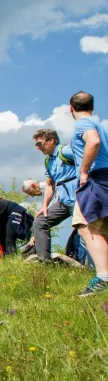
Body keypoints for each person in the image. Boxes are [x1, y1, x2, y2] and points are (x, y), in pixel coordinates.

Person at [68, 91, 108, 296]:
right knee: (103, 230)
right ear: (92, 107)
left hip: (95, 179)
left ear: (71, 108)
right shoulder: (102, 125)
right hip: (106, 177)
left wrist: (84, 171)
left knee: (85, 225)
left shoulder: (83, 125)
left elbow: (92, 142)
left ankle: (103, 278)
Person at [29, 129, 79, 264]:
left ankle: (96, 270)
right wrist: (45, 205)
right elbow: (50, 184)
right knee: (40, 221)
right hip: (63, 200)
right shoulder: (48, 161)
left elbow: (88, 157)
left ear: (52, 140)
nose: (37, 147)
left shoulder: (65, 151)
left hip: (79, 199)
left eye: (40, 143)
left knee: (86, 231)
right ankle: (45, 262)